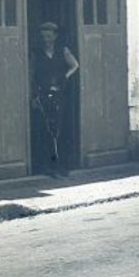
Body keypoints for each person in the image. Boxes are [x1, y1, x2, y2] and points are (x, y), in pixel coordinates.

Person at [30, 21, 79, 178]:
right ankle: (48, 166)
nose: (46, 39)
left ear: (55, 36)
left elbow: (75, 65)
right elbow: (31, 75)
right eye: (43, 36)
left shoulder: (62, 51)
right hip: (43, 95)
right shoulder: (36, 53)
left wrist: (64, 77)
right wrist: (34, 96)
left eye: (49, 36)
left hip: (59, 94)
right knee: (46, 131)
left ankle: (61, 166)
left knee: (59, 130)